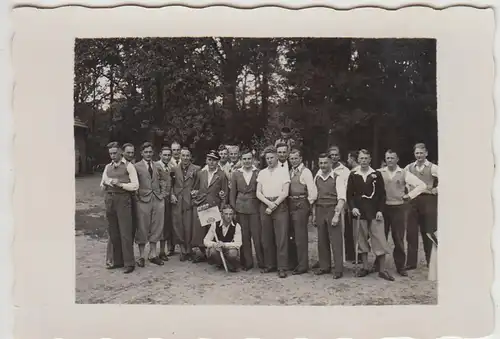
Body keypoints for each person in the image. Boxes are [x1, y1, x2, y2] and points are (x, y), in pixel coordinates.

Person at [347, 149, 394, 281]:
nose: (363, 161)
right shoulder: (353, 174)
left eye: (366, 158)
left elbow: (381, 195)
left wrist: (380, 210)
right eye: (361, 158)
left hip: (374, 212)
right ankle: (365, 267)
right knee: (361, 240)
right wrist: (353, 208)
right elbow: (349, 195)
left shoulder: (376, 174)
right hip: (360, 213)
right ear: (358, 160)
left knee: (379, 239)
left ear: (370, 160)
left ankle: (382, 270)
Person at [378, 149, 426, 276]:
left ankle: (400, 266)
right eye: (387, 158)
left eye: (392, 158)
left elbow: (421, 185)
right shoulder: (380, 173)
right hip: (383, 208)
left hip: (398, 208)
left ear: (397, 159)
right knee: (380, 237)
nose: (390, 160)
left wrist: (409, 196)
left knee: (398, 238)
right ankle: (379, 264)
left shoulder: (404, 173)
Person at [100, 142, 139, 274]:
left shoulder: (129, 166)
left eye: (115, 153)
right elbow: (103, 182)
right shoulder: (107, 167)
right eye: (110, 153)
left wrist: (121, 184)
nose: (112, 156)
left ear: (120, 152)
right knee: (113, 232)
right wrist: (108, 183)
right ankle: (117, 261)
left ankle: (129, 263)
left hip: (123, 199)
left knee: (125, 232)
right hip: (110, 200)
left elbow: (135, 186)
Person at [256, 146, 291, 278]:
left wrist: (274, 204)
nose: (270, 160)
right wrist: (268, 203)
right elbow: (258, 192)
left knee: (281, 238)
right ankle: (269, 264)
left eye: (272, 157)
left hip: (280, 206)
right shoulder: (262, 173)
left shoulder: (283, 171)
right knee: (266, 237)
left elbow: (285, 192)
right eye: (267, 158)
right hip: (265, 205)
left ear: (277, 157)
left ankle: (282, 267)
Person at [134, 142, 169, 267]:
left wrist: (163, 194)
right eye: (146, 152)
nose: (148, 154)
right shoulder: (136, 166)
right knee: (142, 227)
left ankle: (153, 254)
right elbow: (134, 183)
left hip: (157, 199)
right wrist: (137, 196)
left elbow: (165, 181)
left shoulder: (157, 166)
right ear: (142, 153)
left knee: (157, 226)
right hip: (143, 200)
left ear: (153, 153)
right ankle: (142, 256)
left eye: (150, 152)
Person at [404, 143, 438, 269]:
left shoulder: (432, 167)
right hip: (413, 201)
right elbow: (404, 180)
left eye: (421, 153)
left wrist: (436, 189)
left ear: (426, 153)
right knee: (411, 232)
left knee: (428, 231)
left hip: (428, 200)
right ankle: (411, 263)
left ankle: (431, 261)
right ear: (414, 154)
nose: (419, 155)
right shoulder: (409, 167)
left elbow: (446, 180)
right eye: (417, 153)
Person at [312, 153, 346, 279]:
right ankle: (324, 266)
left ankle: (338, 269)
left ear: (331, 163)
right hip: (320, 209)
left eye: (325, 163)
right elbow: (314, 198)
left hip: (332, 209)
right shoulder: (317, 177)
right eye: (321, 163)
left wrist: (337, 215)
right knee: (322, 240)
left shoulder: (337, 177)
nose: (323, 165)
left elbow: (342, 198)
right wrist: (314, 215)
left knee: (336, 240)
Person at [191, 150, 229, 263]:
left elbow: (224, 193)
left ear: (218, 162)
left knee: (213, 230)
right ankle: (201, 253)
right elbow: (195, 188)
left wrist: (222, 208)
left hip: (214, 206)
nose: (211, 163)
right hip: (202, 204)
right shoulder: (201, 173)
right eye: (209, 160)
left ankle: (212, 255)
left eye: (214, 160)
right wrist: (195, 197)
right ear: (206, 160)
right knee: (200, 230)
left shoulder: (221, 175)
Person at [230, 148, 263, 270]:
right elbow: (232, 193)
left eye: (249, 159)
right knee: (244, 236)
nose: (247, 161)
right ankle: (247, 262)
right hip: (240, 208)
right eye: (244, 159)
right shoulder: (236, 173)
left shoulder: (258, 172)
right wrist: (233, 209)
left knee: (257, 236)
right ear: (241, 160)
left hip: (254, 208)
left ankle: (261, 261)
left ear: (253, 160)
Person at [288, 148, 317, 275]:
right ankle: (294, 262)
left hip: (301, 205)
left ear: (300, 159)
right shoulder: (290, 172)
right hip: (290, 204)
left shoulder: (306, 172)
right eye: (292, 158)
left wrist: (307, 206)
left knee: (300, 236)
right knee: (292, 236)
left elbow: (313, 192)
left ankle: (303, 265)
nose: (293, 161)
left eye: (296, 158)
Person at [171, 147, 200, 261]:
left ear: (190, 157)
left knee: (189, 225)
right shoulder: (174, 169)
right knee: (178, 225)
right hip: (178, 200)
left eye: (188, 156)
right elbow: (170, 184)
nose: (185, 158)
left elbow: (199, 184)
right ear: (180, 157)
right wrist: (171, 194)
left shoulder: (196, 169)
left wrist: (196, 191)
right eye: (183, 155)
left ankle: (189, 249)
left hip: (189, 200)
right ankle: (182, 249)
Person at [204, 204, 243, 272]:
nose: (228, 216)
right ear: (222, 214)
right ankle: (221, 263)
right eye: (226, 214)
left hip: (229, 249)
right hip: (218, 249)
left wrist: (224, 245)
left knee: (233, 253)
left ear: (233, 215)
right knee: (212, 251)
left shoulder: (236, 225)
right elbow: (206, 240)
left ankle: (227, 262)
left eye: (230, 214)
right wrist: (215, 244)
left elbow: (238, 243)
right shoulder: (215, 224)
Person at [156, 146, 176, 259]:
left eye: (169, 155)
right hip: (159, 198)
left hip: (168, 198)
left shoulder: (172, 167)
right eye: (165, 155)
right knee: (159, 224)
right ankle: (159, 251)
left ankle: (165, 250)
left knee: (167, 223)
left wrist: (172, 194)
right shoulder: (156, 166)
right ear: (160, 155)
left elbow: (172, 184)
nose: (167, 157)